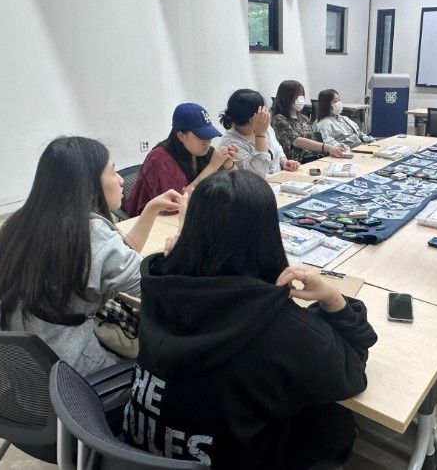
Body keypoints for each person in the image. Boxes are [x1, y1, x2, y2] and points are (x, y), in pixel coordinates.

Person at [123, 170, 377, 469]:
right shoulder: (286, 329)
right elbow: (353, 372)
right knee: (335, 419)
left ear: (191, 229)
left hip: (139, 450)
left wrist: (181, 253)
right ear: (268, 235)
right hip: (233, 457)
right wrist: (333, 298)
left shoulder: (159, 285)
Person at [0, 136, 184, 376]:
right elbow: (158, 289)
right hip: (74, 372)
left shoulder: (20, 223)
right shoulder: (88, 233)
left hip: (28, 362)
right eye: (113, 171)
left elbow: (112, 257)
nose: (122, 180)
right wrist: (183, 239)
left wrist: (151, 209)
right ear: (88, 182)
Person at [124, 102, 238, 216]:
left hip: (192, 213)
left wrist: (228, 164)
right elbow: (174, 205)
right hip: (152, 219)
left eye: (209, 135)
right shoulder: (161, 158)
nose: (207, 141)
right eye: (202, 136)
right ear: (181, 136)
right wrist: (212, 167)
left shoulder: (203, 150)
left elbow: (237, 184)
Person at [219, 89, 300, 177]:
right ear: (252, 119)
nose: (267, 113)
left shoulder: (266, 128)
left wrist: (284, 162)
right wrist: (260, 135)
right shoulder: (231, 143)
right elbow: (258, 174)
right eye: (263, 111)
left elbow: (277, 148)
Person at [271, 80, 344, 163]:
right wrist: (327, 147)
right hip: (295, 163)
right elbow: (297, 141)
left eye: (302, 95)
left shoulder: (304, 118)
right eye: (298, 95)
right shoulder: (279, 119)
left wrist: (330, 150)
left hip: (312, 158)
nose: (301, 98)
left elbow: (313, 141)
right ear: (287, 97)